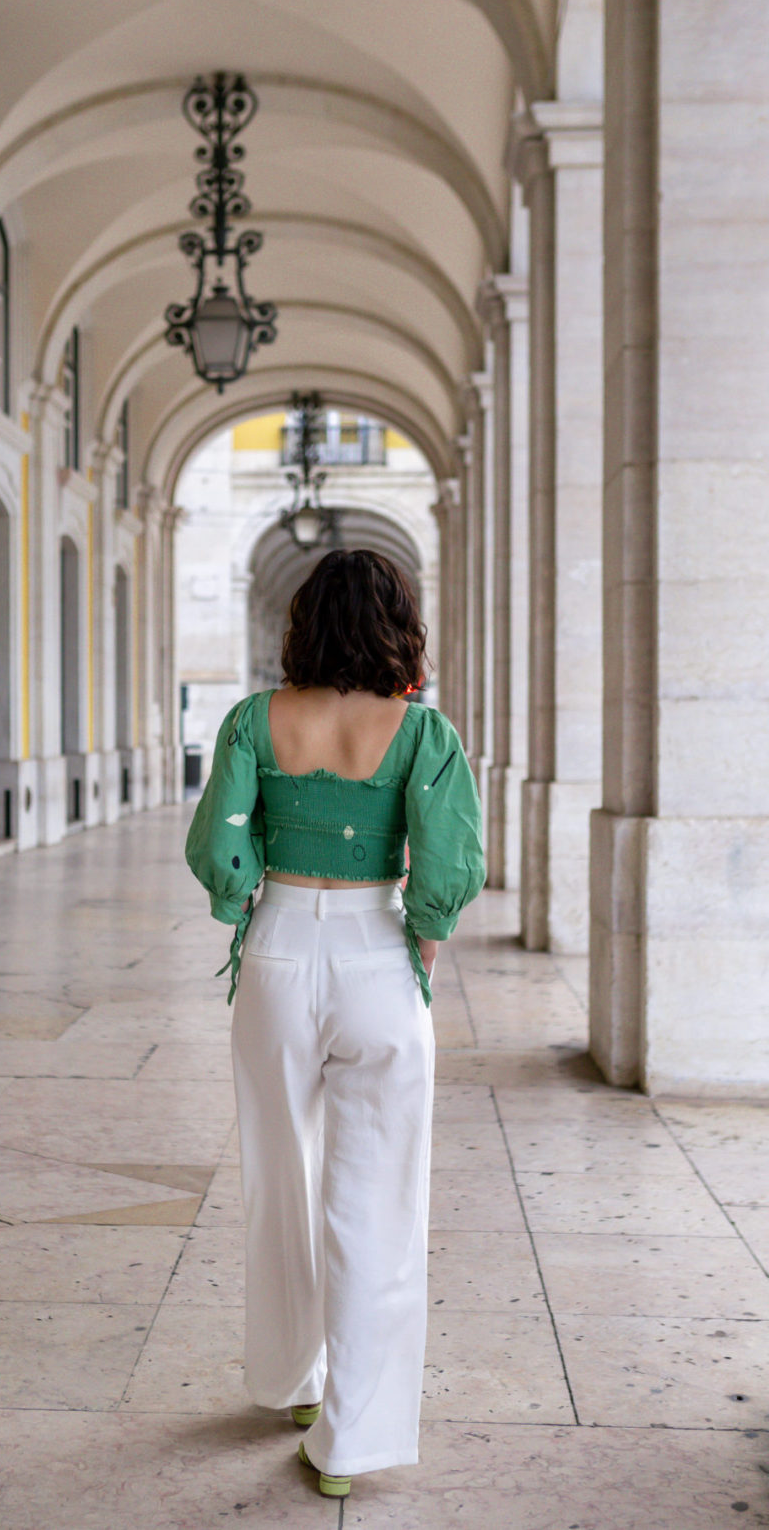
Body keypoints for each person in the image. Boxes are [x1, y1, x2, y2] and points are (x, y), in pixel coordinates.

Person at [185, 547, 485, 1498]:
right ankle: (351, 1441)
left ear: (303, 623)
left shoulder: (251, 721)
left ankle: (292, 1380)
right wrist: (424, 939)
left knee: (280, 1175)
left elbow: (215, 844)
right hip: (376, 955)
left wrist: (243, 904)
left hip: (277, 952)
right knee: (381, 1201)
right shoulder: (424, 733)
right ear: (400, 623)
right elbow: (448, 863)